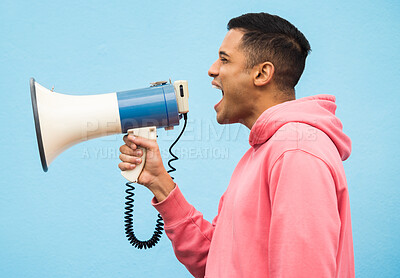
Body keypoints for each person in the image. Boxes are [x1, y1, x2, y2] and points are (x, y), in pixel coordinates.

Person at [119, 12, 355, 278]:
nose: (212, 69)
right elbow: (215, 261)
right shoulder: (265, 153)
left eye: (224, 59)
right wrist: (159, 182)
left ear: (262, 73)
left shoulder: (297, 152)